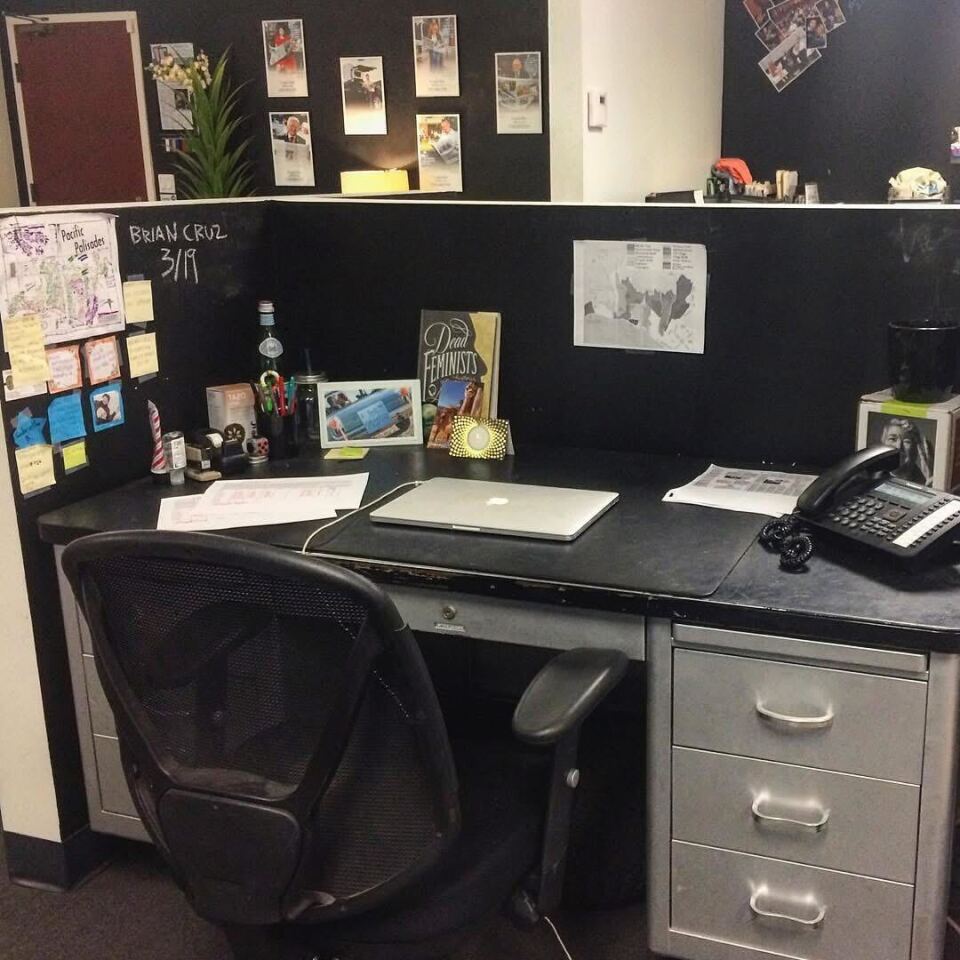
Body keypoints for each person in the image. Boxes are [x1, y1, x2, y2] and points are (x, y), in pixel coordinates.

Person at [880, 418, 934, 486]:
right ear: (883, 444)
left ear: (916, 449)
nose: (899, 446)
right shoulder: (872, 476)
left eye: (906, 441)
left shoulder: (924, 481)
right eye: (892, 439)